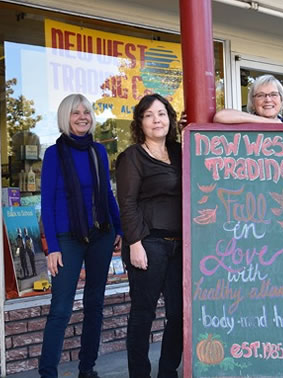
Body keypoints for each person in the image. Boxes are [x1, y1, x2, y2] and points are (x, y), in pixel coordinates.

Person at [39, 93, 123, 378]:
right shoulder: (53, 154)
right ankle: (48, 372)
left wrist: (119, 227)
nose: (82, 117)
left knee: (94, 304)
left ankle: (87, 368)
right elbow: (47, 203)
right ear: (66, 117)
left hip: (101, 234)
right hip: (67, 238)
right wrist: (52, 247)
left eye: (86, 111)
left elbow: (107, 193)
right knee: (61, 308)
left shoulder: (98, 151)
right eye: (75, 113)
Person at [116, 94, 183, 378]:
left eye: (162, 114)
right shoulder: (132, 157)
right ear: (140, 123)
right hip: (148, 242)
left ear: (170, 118)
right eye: (149, 115)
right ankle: (140, 374)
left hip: (181, 246)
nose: (157, 120)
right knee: (143, 314)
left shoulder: (181, 151)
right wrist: (134, 244)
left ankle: (168, 371)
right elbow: (127, 203)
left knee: (179, 315)